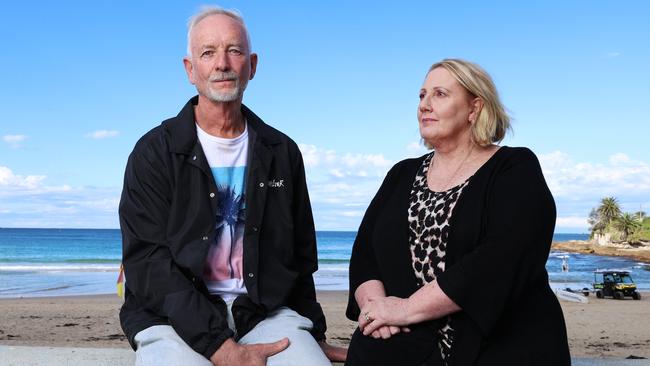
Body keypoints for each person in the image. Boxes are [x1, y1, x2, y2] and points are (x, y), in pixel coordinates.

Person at [119, 6, 345, 366]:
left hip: (262, 312)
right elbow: (148, 264)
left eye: (234, 50)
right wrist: (220, 349)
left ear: (252, 65)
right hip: (170, 317)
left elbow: (301, 256)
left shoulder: (281, 151)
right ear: (190, 70)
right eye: (208, 53)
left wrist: (314, 337)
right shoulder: (154, 152)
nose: (222, 63)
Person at [345, 59, 570, 365]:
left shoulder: (514, 168)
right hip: (402, 347)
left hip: (499, 346)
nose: (425, 104)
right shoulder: (401, 173)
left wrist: (407, 308)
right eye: (422, 95)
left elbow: (504, 257)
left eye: (439, 94)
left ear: (474, 109)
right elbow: (365, 250)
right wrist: (377, 310)